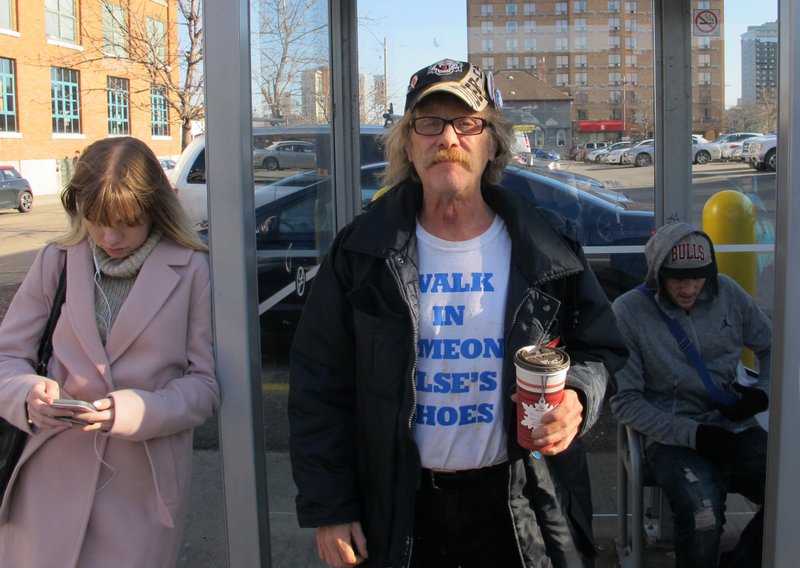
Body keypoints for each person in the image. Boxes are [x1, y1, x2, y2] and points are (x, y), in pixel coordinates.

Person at [288, 58, 627, 568]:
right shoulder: (361, 252)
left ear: (491, 142)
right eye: (429, 123)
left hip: (521, 509)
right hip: (401, 511)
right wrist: (330, 509)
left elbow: (602, 348)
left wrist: (578, 394)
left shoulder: (547, 248)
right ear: (408, 142)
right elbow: (319, 387)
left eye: (467, 123)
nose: (448, 137)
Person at [0, 136, 220, 567]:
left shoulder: (192, 267)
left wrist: (132, 411)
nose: (110, 236)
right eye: (96, 220)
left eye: (128, 222)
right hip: (46, 483)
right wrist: (26, 394)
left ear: (155, 209)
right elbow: (7, 356)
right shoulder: (57, 260)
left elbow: (206, 386)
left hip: (141, 489)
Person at [610, 221, 771, 568]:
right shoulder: (628, 312)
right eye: (677, 279)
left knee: (790, 488)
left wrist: (762, 394)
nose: (688, 288)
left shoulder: (728, 293)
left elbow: (773, 344)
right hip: (669, 434)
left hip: (733, 425)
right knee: (703, 514)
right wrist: (694, 435)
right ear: (657, 275)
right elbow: (625, 402)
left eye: (698, 278)